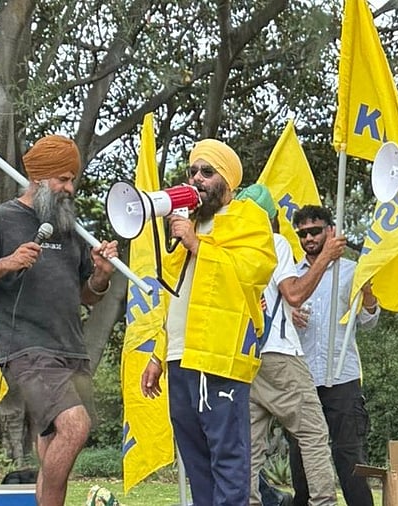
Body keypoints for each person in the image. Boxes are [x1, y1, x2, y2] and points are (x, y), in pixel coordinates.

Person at [0, 135, 119, 506]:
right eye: (62, 179)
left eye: (73, 179)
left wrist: (101, 275)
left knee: (52, 444)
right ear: (40, 178)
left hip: (69, 350)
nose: (70, 187)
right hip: (26, 348)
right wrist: (6, 263)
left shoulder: (68, 226)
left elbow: (86, 295)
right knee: (75, 427)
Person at [139, 140, 276, 506]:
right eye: (192, 171)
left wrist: (198, 245)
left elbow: (253, 272)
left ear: (227, 179)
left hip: (219, 357)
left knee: (228, 458)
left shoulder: (248, 218)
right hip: (179, 357)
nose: (197, 178)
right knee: (196, 462)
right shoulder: (189, 224)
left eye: (207, 172)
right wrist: (157, 356)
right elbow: (175, 298)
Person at [236, 186, 342, 506]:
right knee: (312, 434)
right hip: (278, 354)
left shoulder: (226, 249)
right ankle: (324, 503)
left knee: (251, 448)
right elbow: (294, 294)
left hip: (242, 359)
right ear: (271, 218)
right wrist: (326, 255)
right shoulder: (273, 241)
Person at [288, 205, 380, 506]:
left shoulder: (352, 270)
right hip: (302, 378)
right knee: (301, 458)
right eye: (302, 233)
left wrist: (368, 295)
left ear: (331, 231)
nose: (309, 238)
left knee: (349, 456)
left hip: (342, 376)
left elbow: (370, 322)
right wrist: (290, 315)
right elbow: (274, 320)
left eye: (315, 231)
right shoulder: (289, 274)